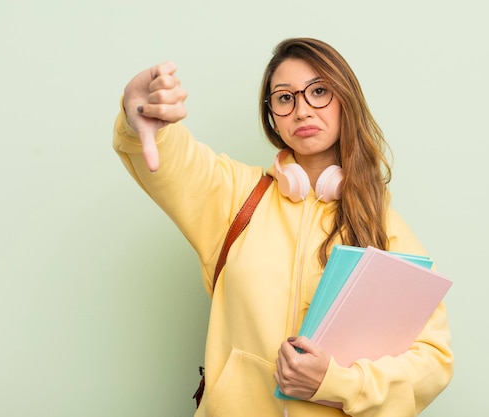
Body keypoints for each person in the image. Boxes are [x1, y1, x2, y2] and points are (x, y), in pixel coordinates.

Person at [113, 37, 453, 417]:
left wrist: (336, 383)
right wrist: (140, 115)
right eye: (285, 97)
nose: (302, 110)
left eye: (319, 91)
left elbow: (432, 362)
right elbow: (171, 155)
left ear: (346, 100)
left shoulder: (384, 227)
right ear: (272, 114)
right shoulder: (235, 196)